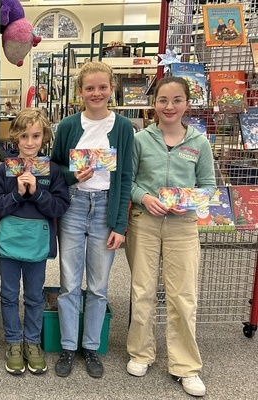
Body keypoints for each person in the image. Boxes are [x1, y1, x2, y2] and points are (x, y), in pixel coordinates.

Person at [125, 76, 215, 397]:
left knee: (183, 296)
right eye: (163, 100)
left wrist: (189, 201)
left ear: (187, 104)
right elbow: (128, 181)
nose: (169, 106)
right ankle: (141, 352)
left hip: (183, 226)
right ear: (154, 104)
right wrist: (144, 197)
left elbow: (209, 186)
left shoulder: (199, 143)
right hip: (144, 222)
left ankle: (185, 366)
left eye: (177, 100)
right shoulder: (140, 140)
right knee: (143, 290)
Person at [50, 61, 133, 379]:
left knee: (98, 285)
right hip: (73, 205)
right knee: (70, 283)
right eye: (89, 88)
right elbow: (55, 168)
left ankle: (91, 347)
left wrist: (120, 225)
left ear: (112, 88)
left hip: (104, 208)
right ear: (80, 91)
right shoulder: (68, 125)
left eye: (102, 87)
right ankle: (68, 346)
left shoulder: (123, 127)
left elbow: (125, 177)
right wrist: (74, 175)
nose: (96, 93)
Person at [0, 108, 70, 375]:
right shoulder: (4, 169)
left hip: (37, 243)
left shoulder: (52, 170)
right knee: (8, 295)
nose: (29, 142)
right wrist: (17, 194)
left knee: (35, 296)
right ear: (15, 137)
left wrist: (36, 193)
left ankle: (32, 342)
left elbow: (59, 206)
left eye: (35, 136)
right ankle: (14, 342)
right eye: (24, 136)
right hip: (9, 243)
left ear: (44, 137)